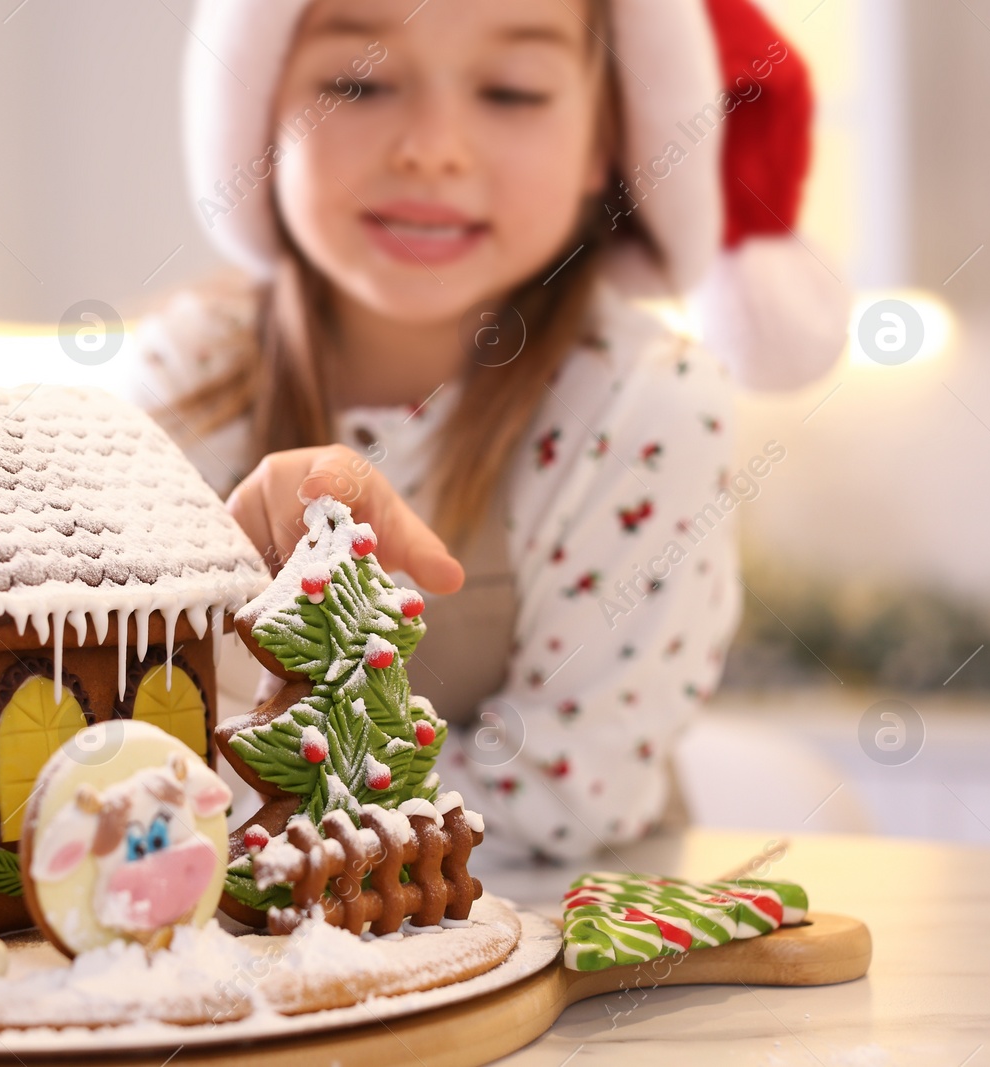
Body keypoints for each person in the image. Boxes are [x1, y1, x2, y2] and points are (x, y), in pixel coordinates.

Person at [139, 0, 844, 861]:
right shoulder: (185, 373)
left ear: (603, 141)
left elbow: (565, 792)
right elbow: (116, 728)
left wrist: (259, 833)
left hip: (575, 957)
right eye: (357, 83)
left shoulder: (645, 406)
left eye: (510, 92)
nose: (433, 147)